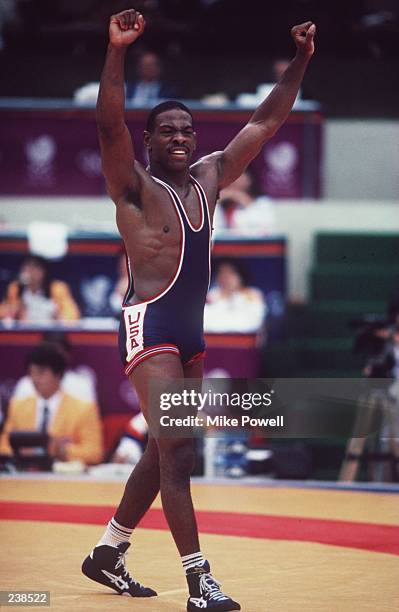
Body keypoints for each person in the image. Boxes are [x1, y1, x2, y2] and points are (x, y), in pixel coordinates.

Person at [81, 8, 315, 611]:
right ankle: (197, 580)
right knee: (180, 449)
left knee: (165, 448)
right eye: (167, 131)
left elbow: (265, 121)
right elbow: (110, 126)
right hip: (149, 325)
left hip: (191, 332)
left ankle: (109, 551)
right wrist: (116, 52)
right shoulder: (132, 186)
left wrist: (301, 61)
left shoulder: (212, 178)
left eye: (188, 129)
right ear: (150, 140)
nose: (180, 137)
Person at [0, 343, 103, 465]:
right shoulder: (17, 406)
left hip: (63, 479)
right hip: (24, 473)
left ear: (58, 374)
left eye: (41, 373)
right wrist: (25, 453)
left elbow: (95, 452)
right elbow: (3, 446)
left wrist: (62, 451)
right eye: (31, 373)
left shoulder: (84, 409)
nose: (35, 379)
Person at [0, 255, 80, 323]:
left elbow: (73, 315)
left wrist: (60, 316)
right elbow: (3, 312)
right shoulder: (15, 288)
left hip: (49, 334)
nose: (29, 271)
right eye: (26, 267)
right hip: (24, 333)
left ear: (43, 271)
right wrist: (14, 311)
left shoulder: (57, 288)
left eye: (34, 267)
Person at [204, 260, 266, 333]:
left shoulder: (253, 295)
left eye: (230, 273)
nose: (225, 277)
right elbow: (206, 325)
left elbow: (252, 325)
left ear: (240, 275)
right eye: (221, 273)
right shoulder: (211, 295)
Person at [213, 168, 276, 234]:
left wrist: (243, 200)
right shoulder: (221, 202)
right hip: (226, 243)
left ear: (249, 179)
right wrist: (215, 202)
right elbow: (214, 231)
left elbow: (265, 229)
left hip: (253, 243)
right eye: (230, 176)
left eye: (238, 175)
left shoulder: (263, 202)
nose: (234, 180)